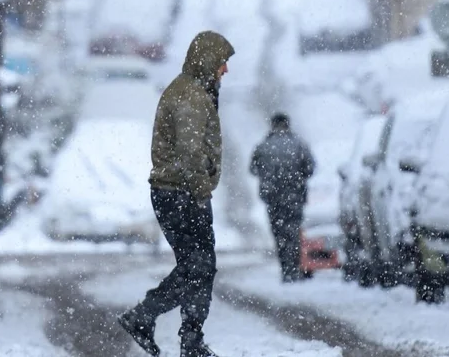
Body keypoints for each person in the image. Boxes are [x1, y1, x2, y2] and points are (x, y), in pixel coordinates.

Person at [119, 31, 235, 357]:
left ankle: (186, 338)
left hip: (179, 192)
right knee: (198, 267)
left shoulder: (193, 91)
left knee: (197, 267)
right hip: (181, 194)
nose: (225, 70)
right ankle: (151, 320)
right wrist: (200, 192)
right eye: (222, 63)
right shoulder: (190, 96)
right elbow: (189, 154)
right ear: (208, 61)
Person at [250, 113, 315, 282]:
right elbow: (310, 168)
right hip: (295, 196)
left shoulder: (263, 146)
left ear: (272, 125)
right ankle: (296, 267)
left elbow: (253, 169)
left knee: (279, 233)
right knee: (294, 231)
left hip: (273, 198)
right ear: (288, 124)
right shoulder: (299, 144)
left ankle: (286, 269)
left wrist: (270, 177)